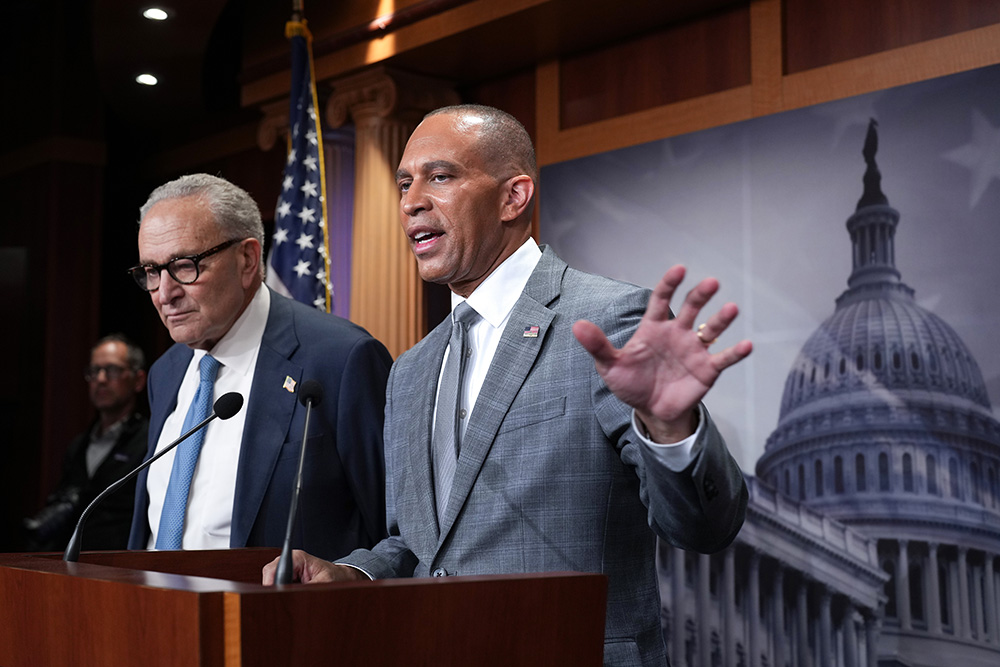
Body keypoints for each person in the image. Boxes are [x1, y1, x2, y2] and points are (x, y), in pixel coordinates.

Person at [263, 105, 752, 666]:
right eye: (404, 182)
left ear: (514, 197)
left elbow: (706, 529)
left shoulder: (606, 320)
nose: (411, 200)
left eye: (440, 176)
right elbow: (421, 546)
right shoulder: (411, 369)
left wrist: (670, 429)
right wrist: (351, 572)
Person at [126, 174, 392, 560]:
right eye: (151, 272)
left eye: (185, 266)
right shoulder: (166, 372)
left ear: (247, 259)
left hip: (274, 614)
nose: (165, 293)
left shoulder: (341, 360)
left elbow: (396, 533)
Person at [24, 334, 149, 552]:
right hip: (74, 564)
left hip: (124, 566)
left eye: (112, 370)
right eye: (94, 371)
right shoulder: (78, 445)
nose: (101, 379)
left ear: (138, 380)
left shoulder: (151, 438)